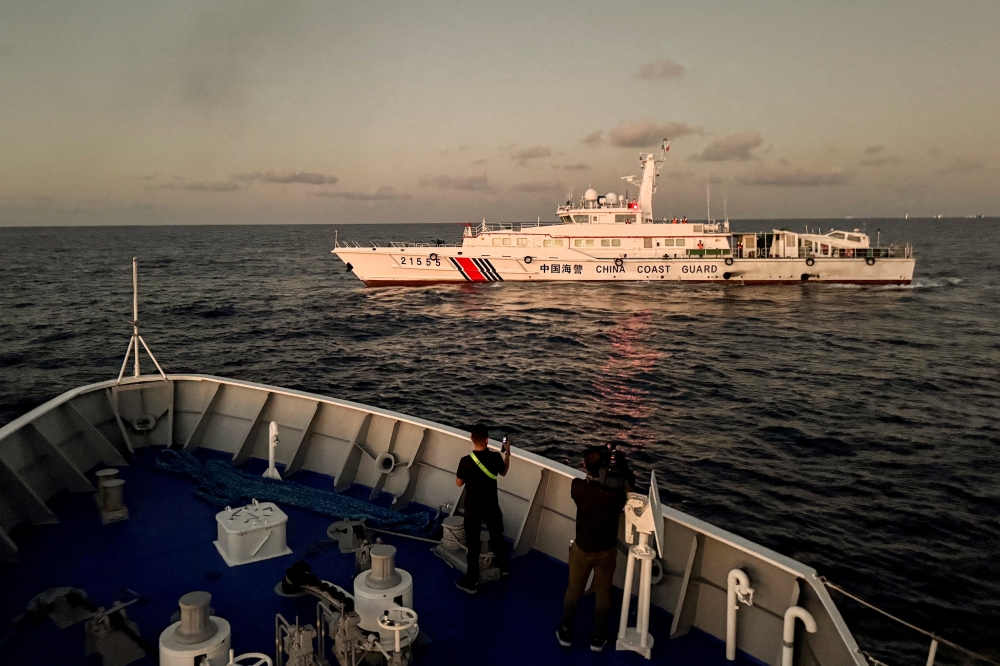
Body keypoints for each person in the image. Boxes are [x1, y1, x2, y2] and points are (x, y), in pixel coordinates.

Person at [556, 446, 630, 652]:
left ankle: (566, 631)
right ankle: (598, 637)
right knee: (603, 594)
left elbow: (585, 485)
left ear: (586, 467)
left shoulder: (578, 487)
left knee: (574, 591)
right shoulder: (617, 496)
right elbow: (626, 490)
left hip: (582, 549)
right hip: (606, 551)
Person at [454, 424, 510, 594]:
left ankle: (472, 581)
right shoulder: (495, 457)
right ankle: (503, 567)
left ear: (472, 439)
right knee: (497, 535)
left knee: (473, 544)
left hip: (473, 508)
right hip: (491, 505)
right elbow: (504, 472)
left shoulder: (465, 461)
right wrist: (507, 453)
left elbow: (459, 483)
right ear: (487, 439)